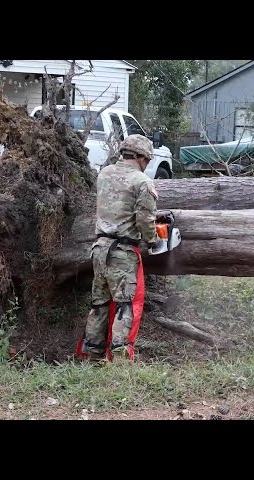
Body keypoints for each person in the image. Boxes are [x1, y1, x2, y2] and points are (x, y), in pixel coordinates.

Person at [75, 134, 165, 363]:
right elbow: (145, 220)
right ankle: (120, 359)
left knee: (99, 304)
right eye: (147, 160)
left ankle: (91, 354)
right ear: (142, 157)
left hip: (99, 249)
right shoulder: (142, 182)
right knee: (125, 306)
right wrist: (154, 240)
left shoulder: (104, 173)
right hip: (122, 253)